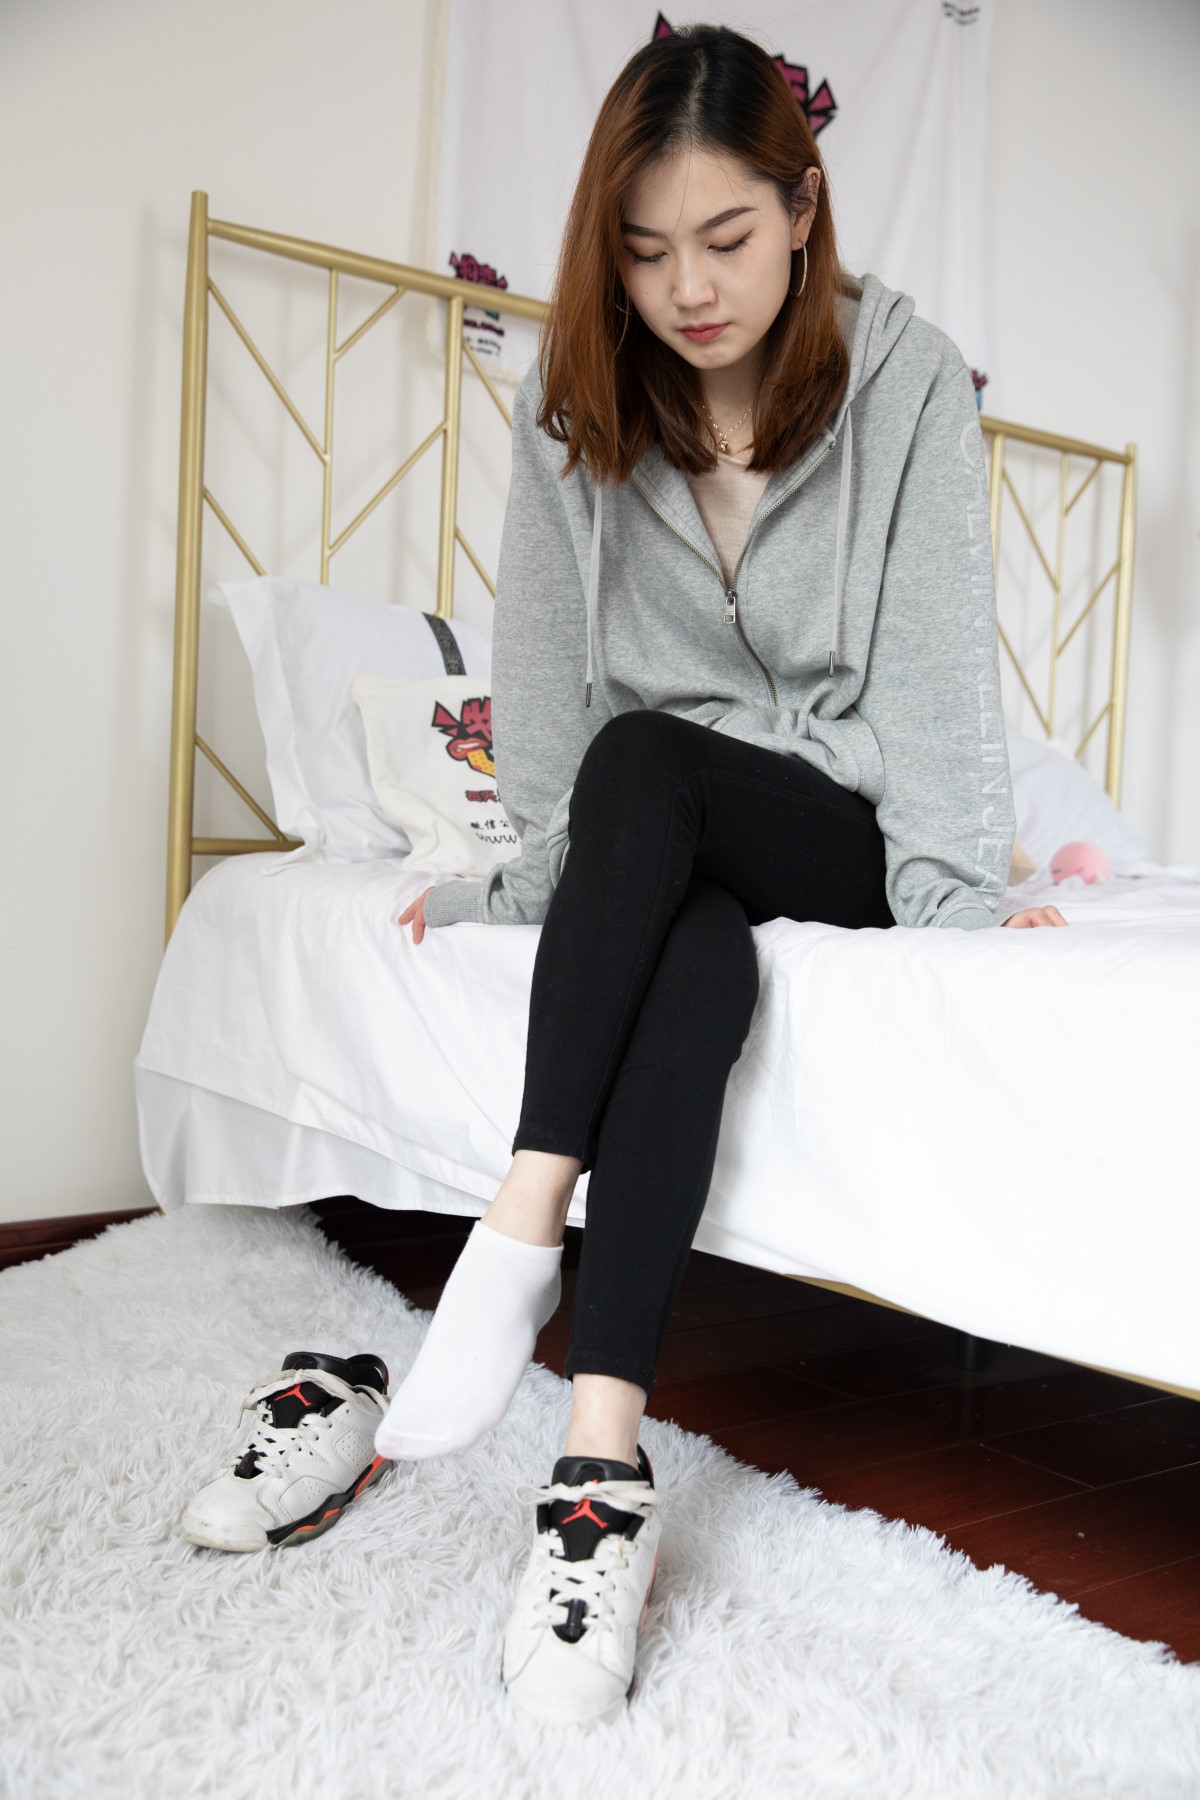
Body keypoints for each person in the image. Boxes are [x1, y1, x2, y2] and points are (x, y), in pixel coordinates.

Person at [182, 20, 1068, 1730]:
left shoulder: (904, 379)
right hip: (663, 845)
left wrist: (960, 898)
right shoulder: (576, 395)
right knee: (693, 939)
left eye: (727, 237)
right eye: (647, 250)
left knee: (647, 759)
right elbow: (541, 676)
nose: (689, 289)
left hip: (834, 820)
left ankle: (518, 1223)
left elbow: (943, 672)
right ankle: (602, 1455)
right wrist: (534, 883)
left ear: (803, 210)